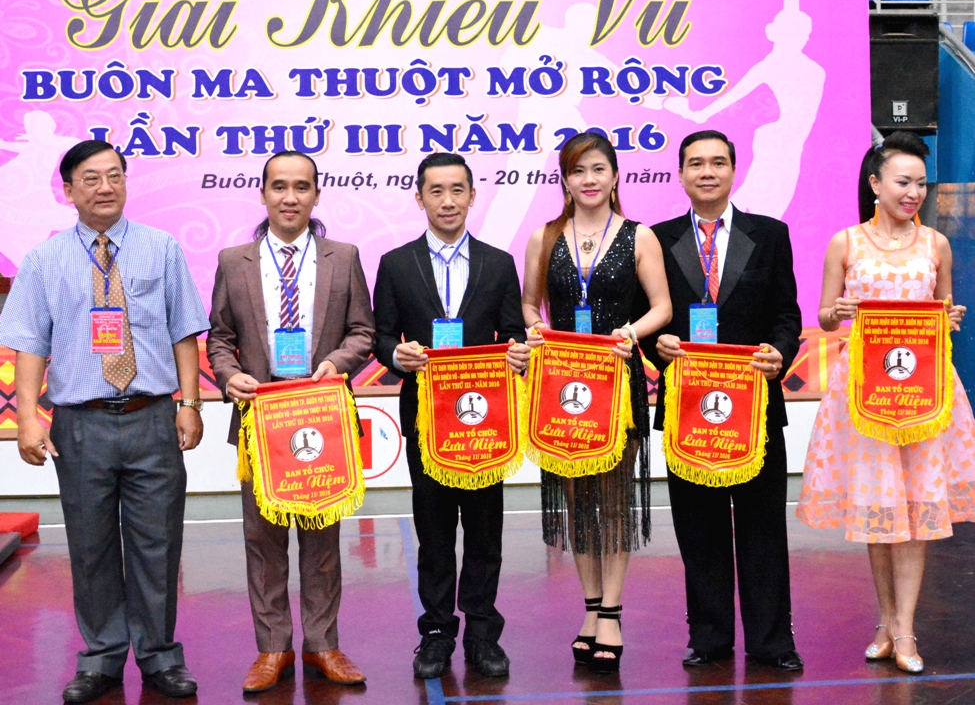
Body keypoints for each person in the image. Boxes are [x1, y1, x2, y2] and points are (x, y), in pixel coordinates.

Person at [0, 140, 210, 702]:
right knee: (91, 548)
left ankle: (160, 657)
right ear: (68, 190)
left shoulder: (161, 248)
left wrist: (189, 404)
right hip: (80, 424)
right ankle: (100, 660)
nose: (105, 187)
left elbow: (184, 331)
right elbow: (28, 343)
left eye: (115, 175)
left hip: (151, 418)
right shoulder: (44, 260)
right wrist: (27, 417)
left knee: (157, 545)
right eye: (91, 178)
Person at [797, 131, 975, 674]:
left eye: (921, 183)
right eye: (903, 182)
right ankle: (885, 621)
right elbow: (825, 315)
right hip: (866, 394)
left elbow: (942, 311)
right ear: (875, 184)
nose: (913, 192)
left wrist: (950, 318)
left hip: (924, 393)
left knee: (916, 513)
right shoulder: (846, 243)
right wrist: (837, 312)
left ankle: (905, 630)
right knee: (880, 510)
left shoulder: (936, 244)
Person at [207, 150, 375, 691]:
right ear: (263, 193)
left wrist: (337, 364)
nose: (290, 197)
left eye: (302, 187)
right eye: (279, 186)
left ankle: (323, 645)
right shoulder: (234, 260)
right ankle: (272, 649)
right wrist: (230, 375)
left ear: (317, 195)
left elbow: (363, 332)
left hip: (321, 418)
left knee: (322, 543)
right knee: (263, 541)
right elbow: (220, 338)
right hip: (260, 420)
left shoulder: (343, 257)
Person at [646, 129, 804, 671]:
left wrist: (780, 352)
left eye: (717, 162)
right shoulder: (658, 239)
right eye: (696, 163)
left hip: (755, 406)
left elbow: (787, 313)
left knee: (763, 528)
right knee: (699, 528)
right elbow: (648, 315)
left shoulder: (771, 234)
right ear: (681, 174)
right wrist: (656, 344)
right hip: (688, 407)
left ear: (734, 171)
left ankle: (772, 642)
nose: (707, 172)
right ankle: (709, 638)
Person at [373, 152, 530, 679]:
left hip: (486, 420)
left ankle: (483, 634)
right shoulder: (396, 263)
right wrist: (397, 356)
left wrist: (518, 353)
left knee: (485, 531)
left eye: (457, 190)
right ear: (419, 197)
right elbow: (380, 335)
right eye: (436, 191)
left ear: (472, 196)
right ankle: (437, 633)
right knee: (434, 531)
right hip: (426, 417)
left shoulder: (498, 263)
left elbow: (514, 334)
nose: (447, 201)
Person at [521, 131, 673, 673]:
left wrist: (630, 332)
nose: (588, 180)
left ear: (614, 177)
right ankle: (589, 609)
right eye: (578, 170)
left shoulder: (639, 236)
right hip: (562, 385)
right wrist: (535, 329)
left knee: (612, 499)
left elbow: (662, 307)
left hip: (617, 382)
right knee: (577, 501)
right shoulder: (544, 236)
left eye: (598, 169)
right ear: (565, 179)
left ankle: (611, 611)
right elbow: (529, 304)